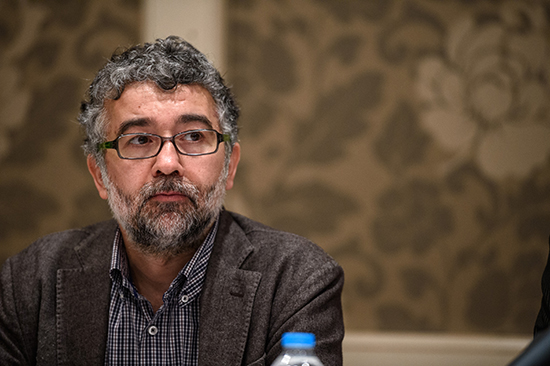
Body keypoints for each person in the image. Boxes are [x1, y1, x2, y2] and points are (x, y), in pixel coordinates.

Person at [0, 36, 344, 365]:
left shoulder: (298, 281)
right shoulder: (28, 282)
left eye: (194, 136)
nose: (167, 164)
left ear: (230, 166)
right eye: (139, 140)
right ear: (99, 173)